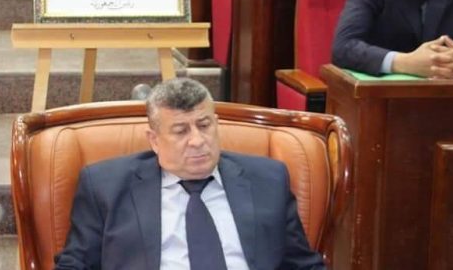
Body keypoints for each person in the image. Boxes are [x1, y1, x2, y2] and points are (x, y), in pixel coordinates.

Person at [54, 78, 325, 269]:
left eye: (204, 125)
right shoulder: (105, 187)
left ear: (216, 124)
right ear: (154, 140)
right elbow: (75, 265)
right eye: (181, 131)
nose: (197, 141)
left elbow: (303, 265)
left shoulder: (268, 180)